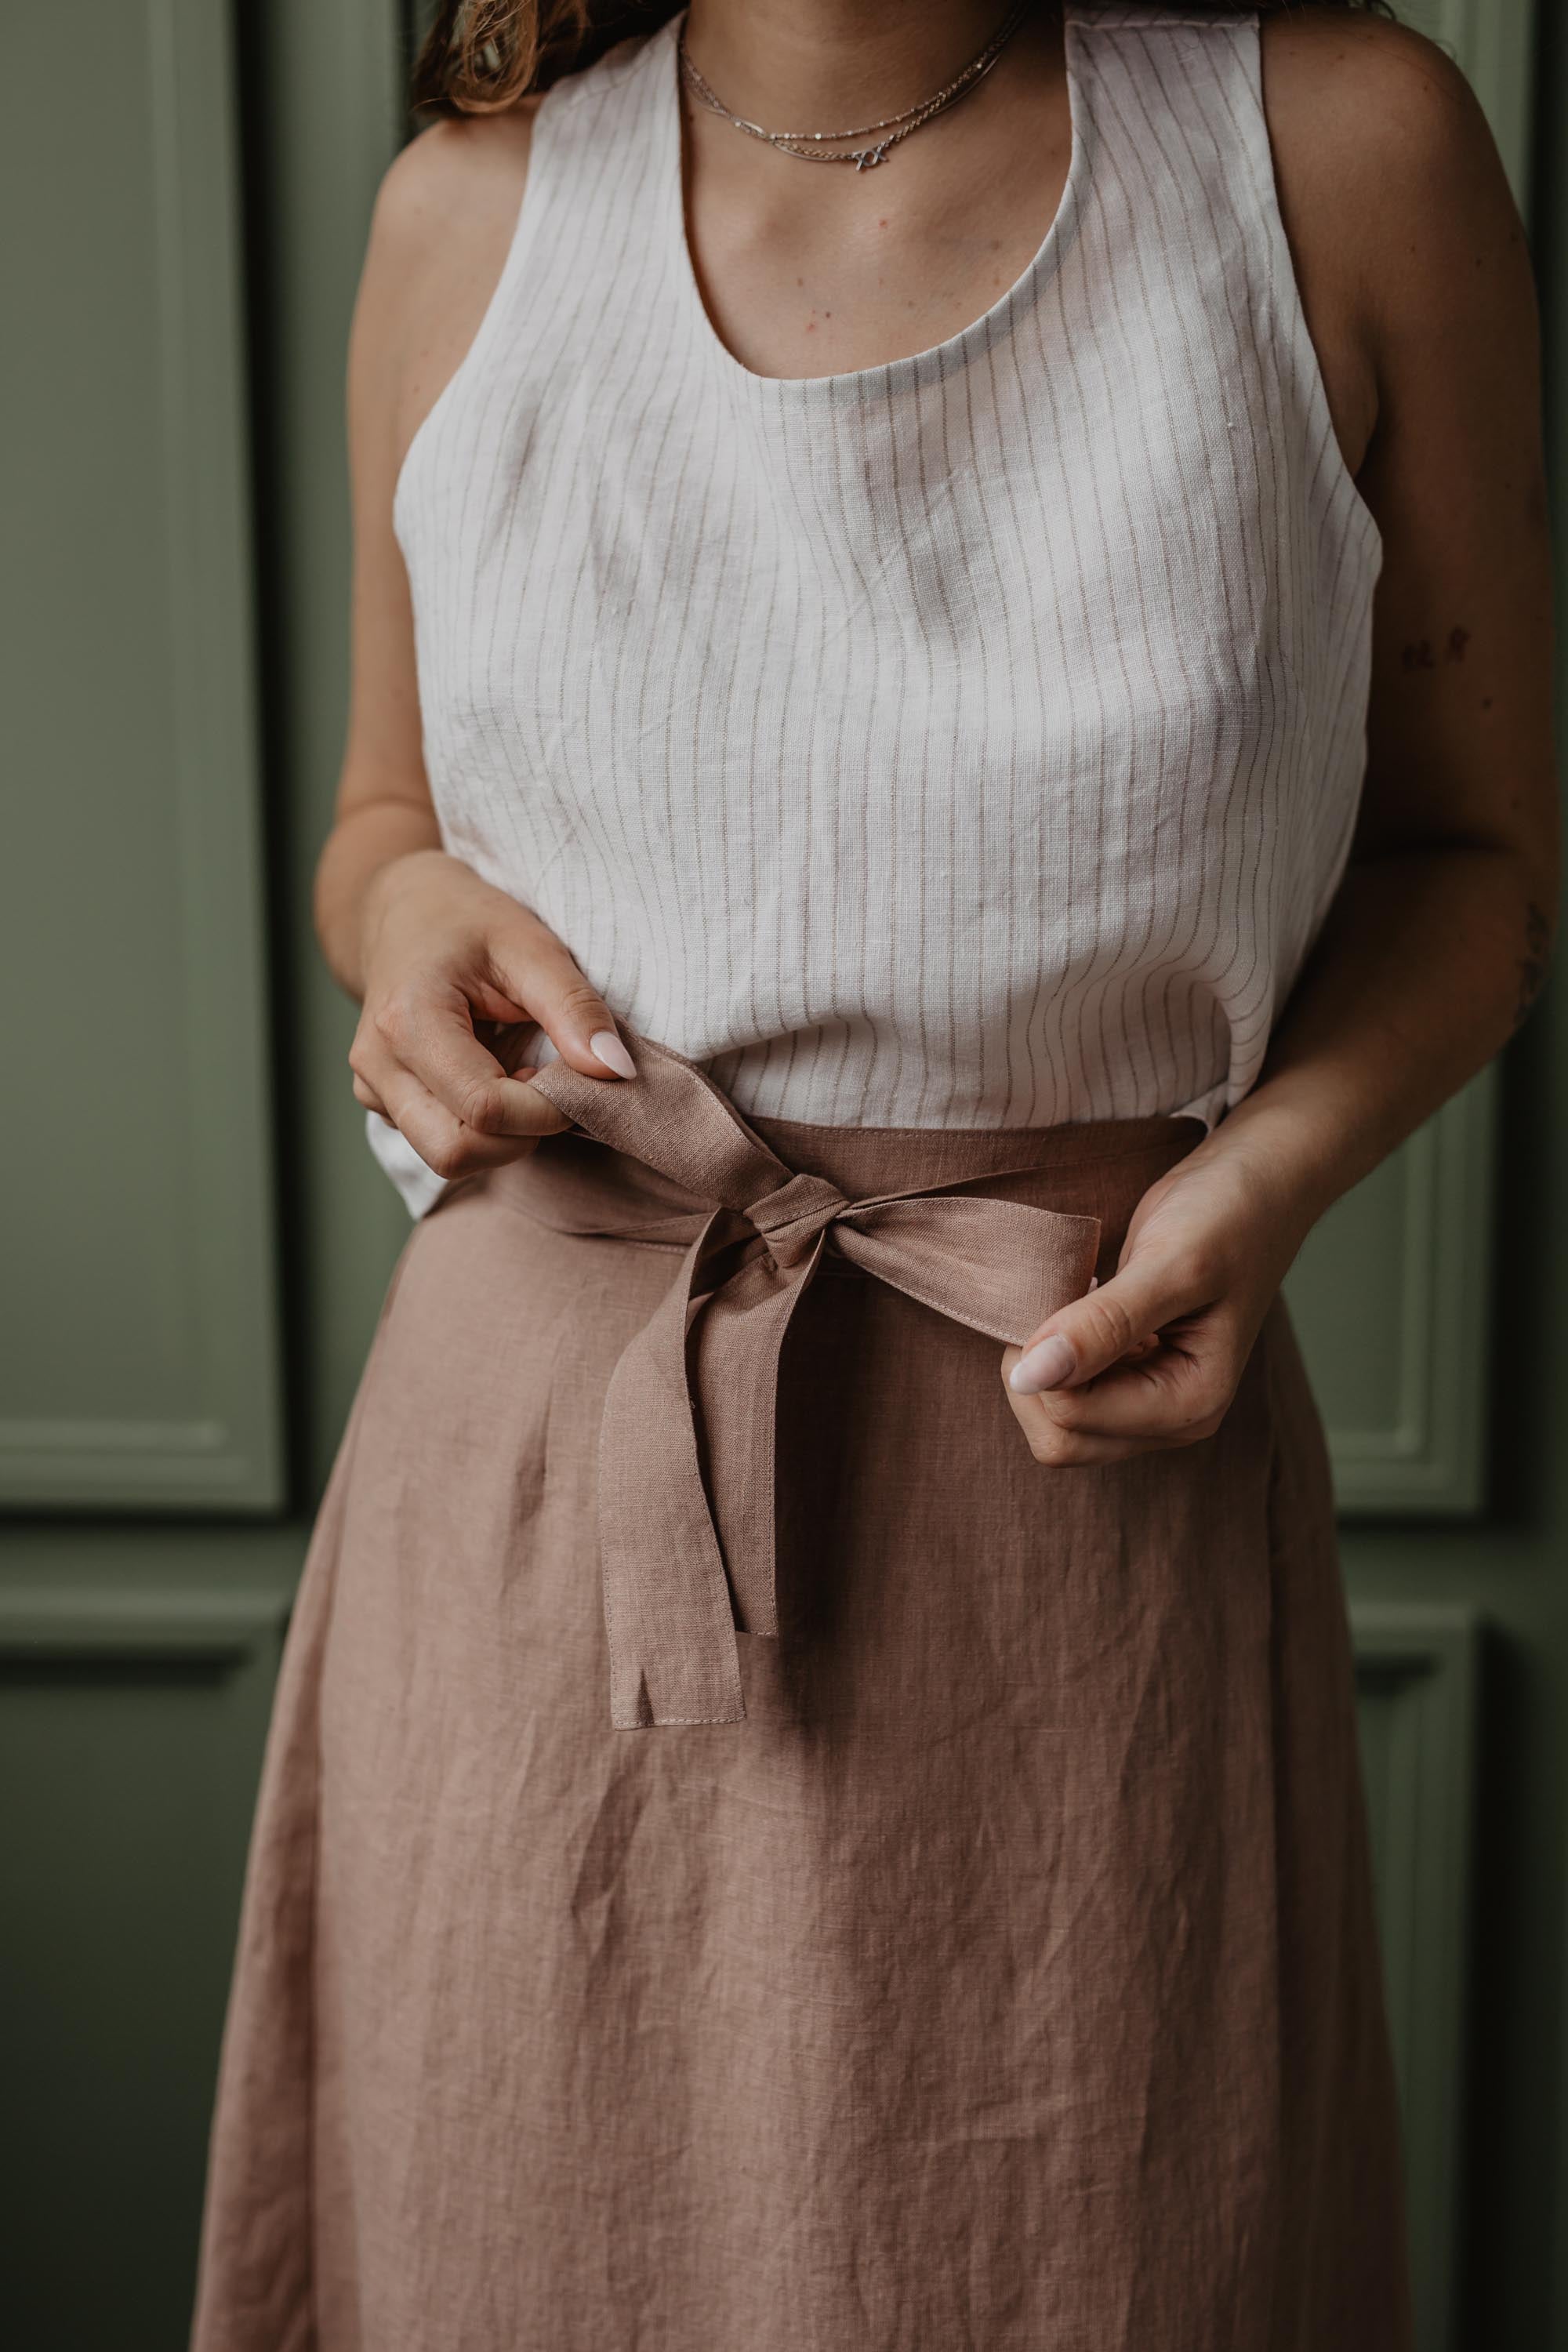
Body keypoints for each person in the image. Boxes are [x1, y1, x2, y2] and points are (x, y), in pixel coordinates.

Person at [191, 3, 1556, 2344]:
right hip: (536, 1511)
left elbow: (1476, 861)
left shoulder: (1341, 150)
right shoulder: (470, 209)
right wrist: (408, 925)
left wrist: (1274, 1178)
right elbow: (380, 824)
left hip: (1077, 1466)